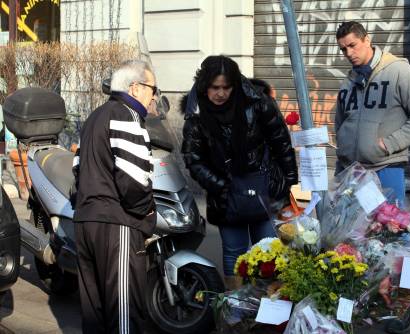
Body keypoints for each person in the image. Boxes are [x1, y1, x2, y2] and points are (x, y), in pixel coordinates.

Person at [181, 55, 298, 289]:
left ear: (235, 84)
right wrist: (220, 185)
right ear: (205, 85)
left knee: (268, 253)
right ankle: (236, 314)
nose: (221, 93)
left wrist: (288, 181)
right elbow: (194, 161)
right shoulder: (196, 116)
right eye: (215, 87)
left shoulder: (258, 103)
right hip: (226, 197)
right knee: (234, 256)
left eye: (226, 87)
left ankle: (269, 314)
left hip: (264, 190)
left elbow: (281, 141)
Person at [72, 59, 157, 333]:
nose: (154, 95)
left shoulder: (95, 116)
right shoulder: (127, 115)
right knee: (125, 316)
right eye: (152, 89)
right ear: (135, 88)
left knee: (94, 314)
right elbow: (133, 183)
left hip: (86, 223)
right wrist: (148, 214)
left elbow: (77, 170)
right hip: (117, 225)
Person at [334, 21, 410, 205]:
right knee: (352, 232)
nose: (348, 53)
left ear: (367, 40)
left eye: (352, 45)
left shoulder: (398, 71)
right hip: (352, 171)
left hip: (386, 167)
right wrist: (341, 160)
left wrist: (390, 143)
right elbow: (340, 124)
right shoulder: (348, 82)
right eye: (343, 49)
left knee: (390, 229)